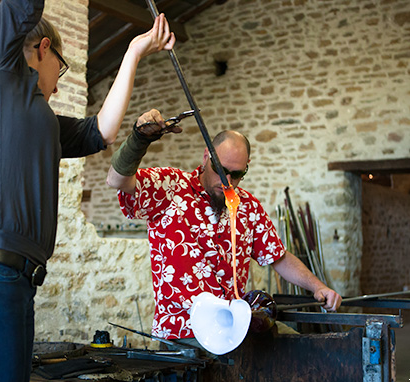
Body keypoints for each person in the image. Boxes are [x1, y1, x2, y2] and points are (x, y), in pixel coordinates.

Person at [0, 0, 175, 382]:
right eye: (59, 69)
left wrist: (132, 52)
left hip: (11, 282)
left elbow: (102, 132)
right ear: (43, 48)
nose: (58, 83)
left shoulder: (38, 119)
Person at [106, 109, 343, 342]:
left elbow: (277, 256)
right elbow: (115, 180)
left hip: (232, 330)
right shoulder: (170, 188)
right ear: (206, 157)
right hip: (184, 332)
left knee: (297, 348)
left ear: (246, 167)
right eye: (221, 170)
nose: (227, 181)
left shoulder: (247, 206)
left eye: (237, 174)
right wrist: (139, 139)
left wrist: (318, 286)